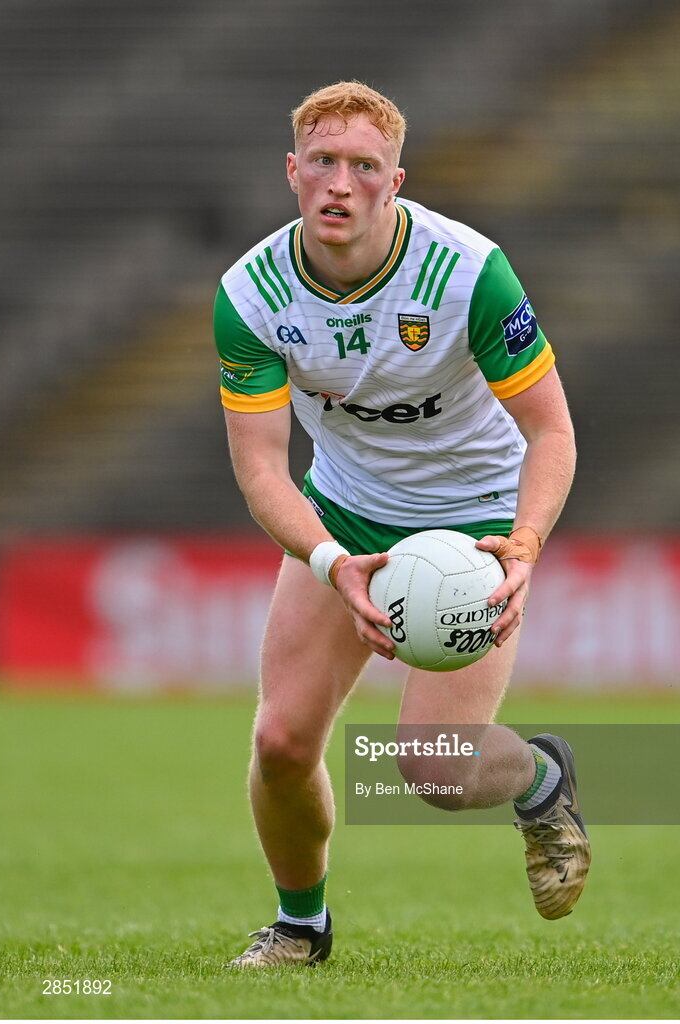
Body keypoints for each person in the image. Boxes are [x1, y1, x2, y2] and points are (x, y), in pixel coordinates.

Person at [214, 81, 590, 968]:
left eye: (364, 167)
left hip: (474, 525)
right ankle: (301, 927)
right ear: (293, 172)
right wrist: (331, 559)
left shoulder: (467, 272)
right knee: (280, 740)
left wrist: (525, 542)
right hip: (347, 513)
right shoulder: (251, 293)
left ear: (396, 182)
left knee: (431, 768)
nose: (341, 184)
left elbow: (552, 430)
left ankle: (540, 778)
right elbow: (263, 465)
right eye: (324, 163)